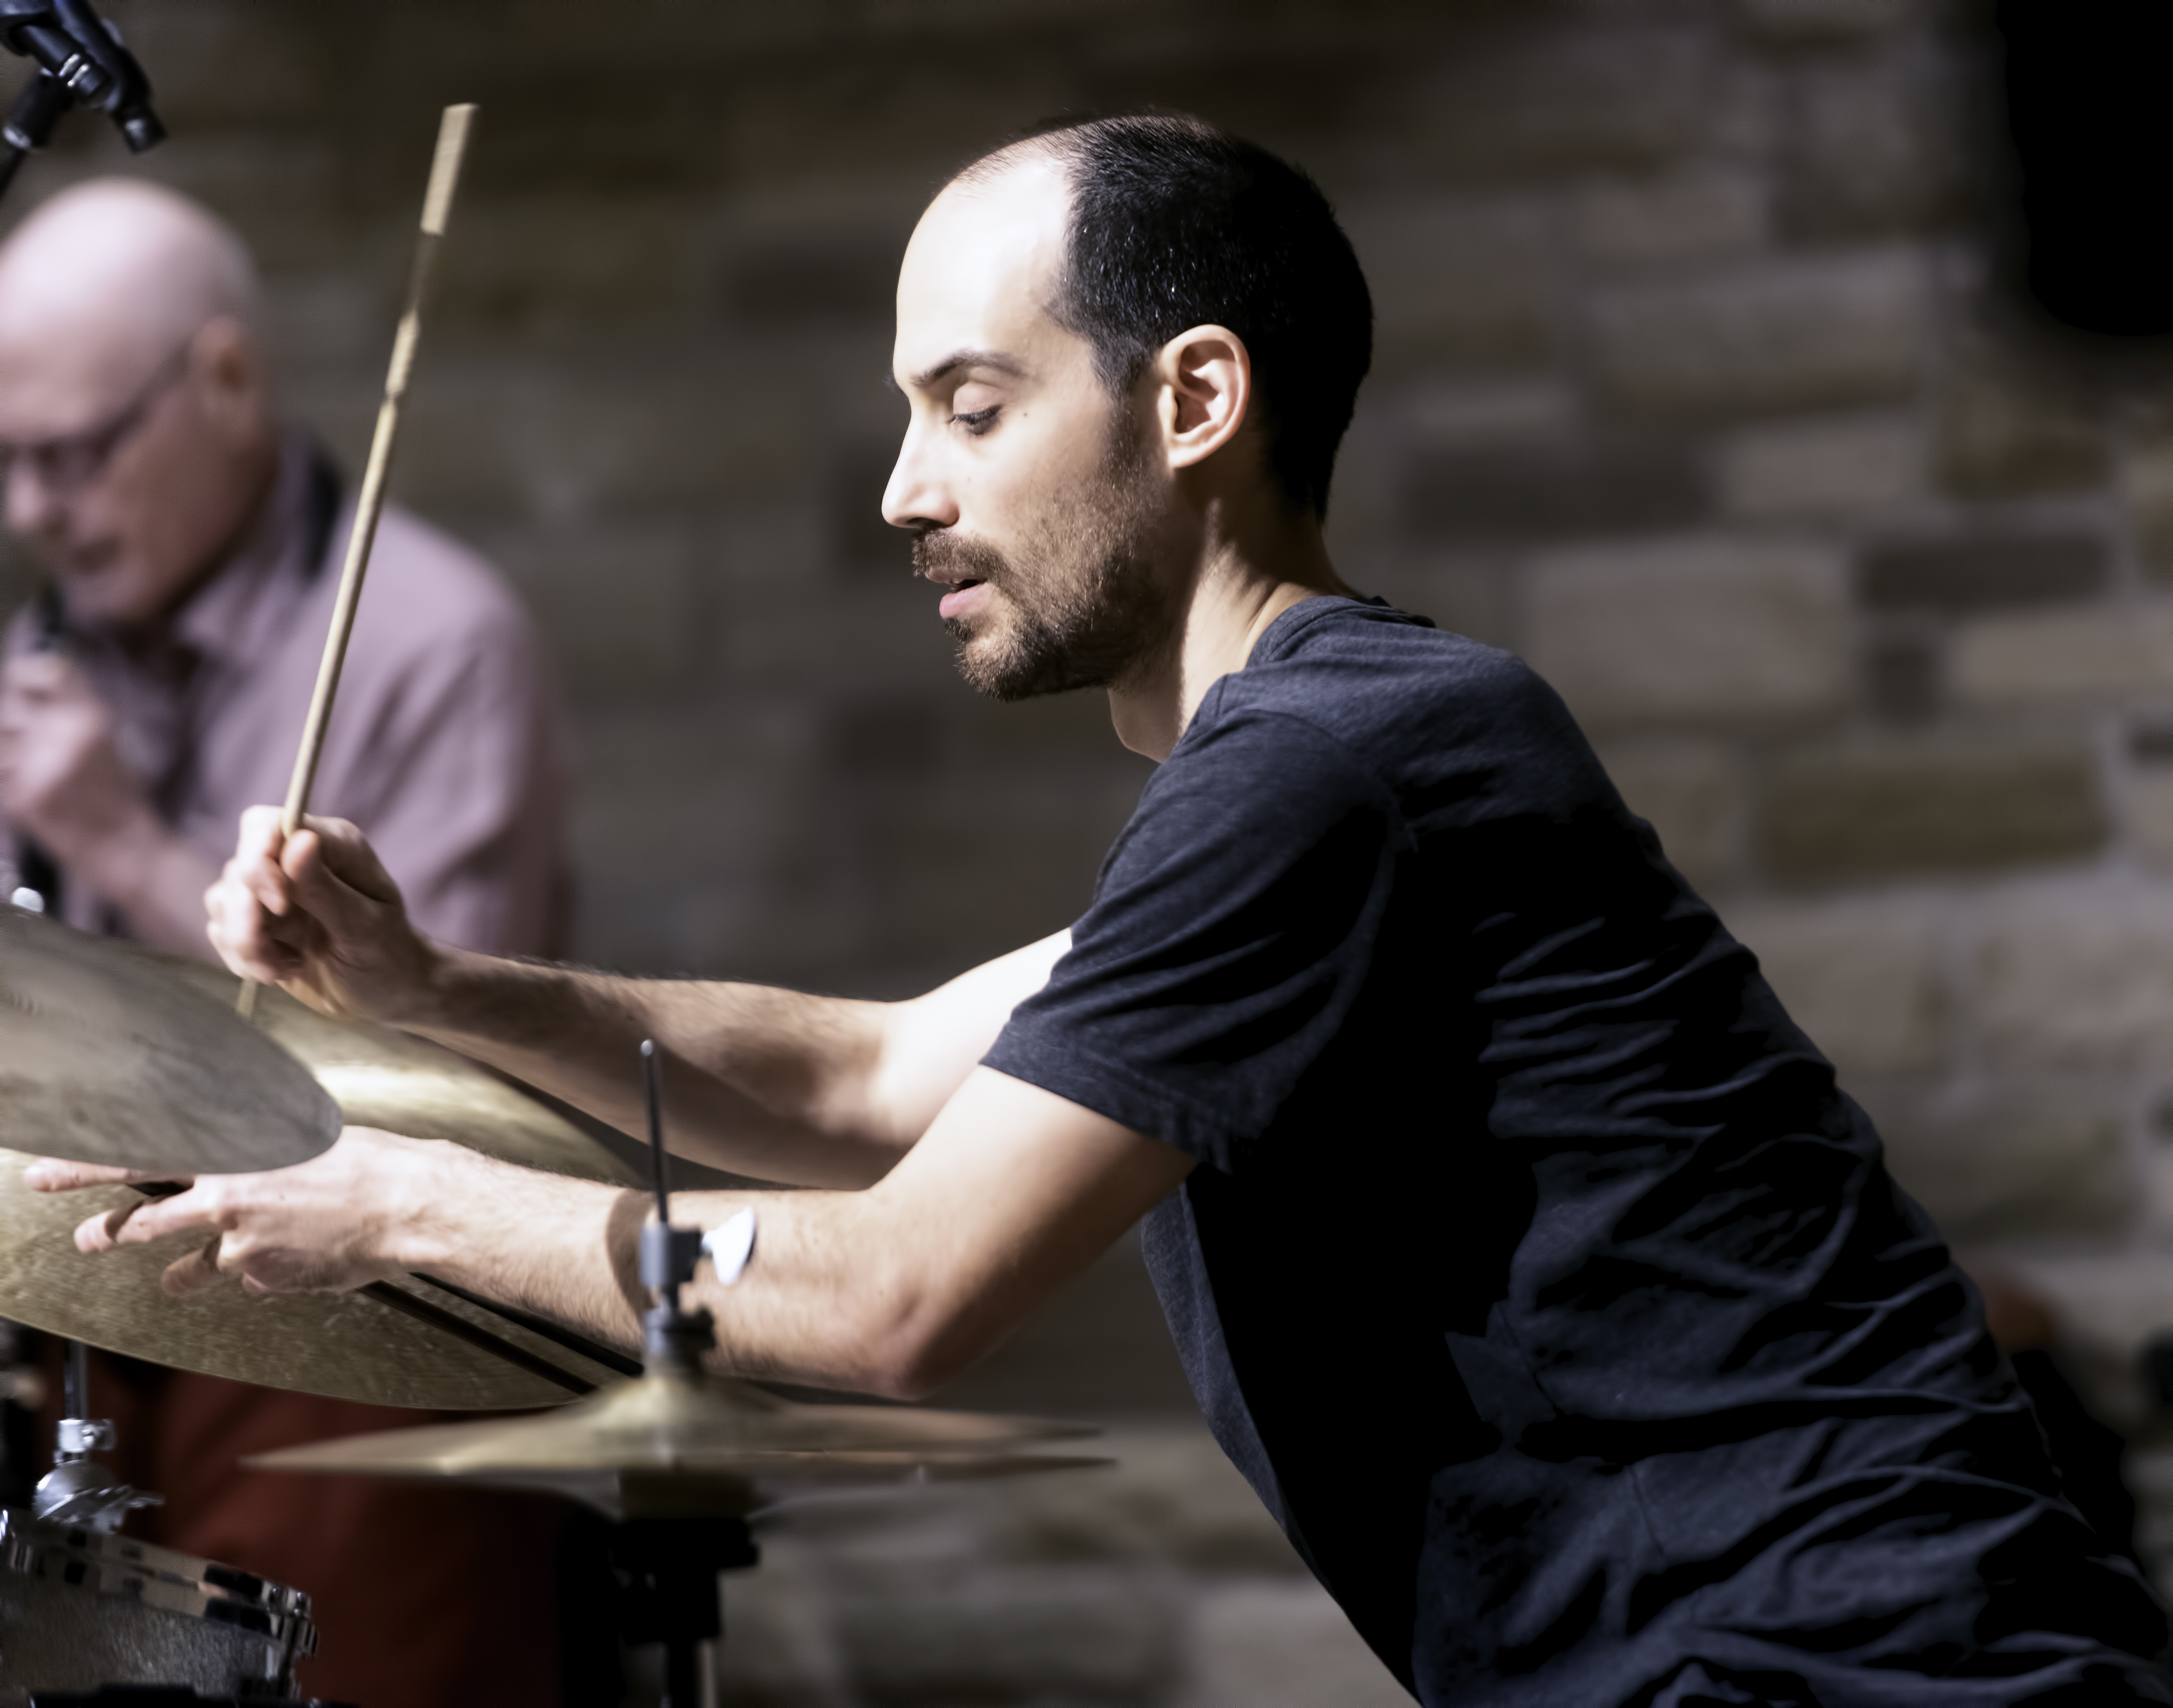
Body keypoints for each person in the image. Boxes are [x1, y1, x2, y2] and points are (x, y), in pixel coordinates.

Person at [42, 117, 2173, 1705]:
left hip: (1862, 1673)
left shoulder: (1329, 762)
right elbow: (877, 1078)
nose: (903, 489)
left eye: (967, 408)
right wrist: (432, 989)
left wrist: (387, 1196)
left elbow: (893, 1295)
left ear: (1194, 403)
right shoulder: (1317, 770)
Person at [0, 179, 575, 1707]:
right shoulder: (43, 655)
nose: (30, 512)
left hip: (346, 1323)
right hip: (86, 1301)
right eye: (4, 463)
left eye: (69, 455)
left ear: (226, 381)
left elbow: (436, 1068)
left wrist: (121, 835)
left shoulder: (433, 640)